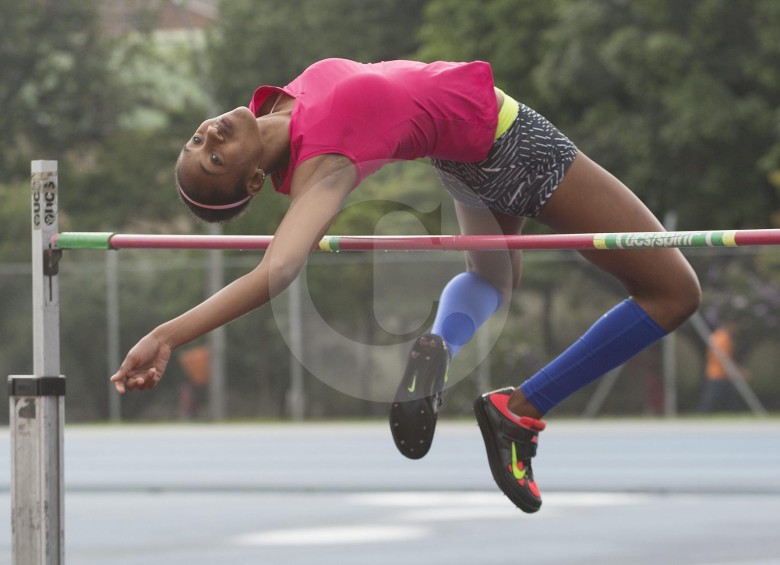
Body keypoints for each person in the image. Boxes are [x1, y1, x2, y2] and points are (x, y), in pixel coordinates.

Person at [109, 58, 701, 513]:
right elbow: (278, 269)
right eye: (216, 157)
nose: (209, 137)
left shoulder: (283, 104)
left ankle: (441, 345)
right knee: (674, 293)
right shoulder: (325, 162)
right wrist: (168, 334)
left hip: (460, 156)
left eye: (199, 143)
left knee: (492, 279)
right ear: (255, 177)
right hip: (511, 142)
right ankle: (521, 410)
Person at [697, 321, 744, 413]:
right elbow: (723, 358)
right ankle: (699, 417)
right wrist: (738, 371)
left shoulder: (717, 336)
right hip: (717, 374)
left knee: (732, 400)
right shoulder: (722, 338)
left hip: (722, 375)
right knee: (709, 402)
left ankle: (737, 414)